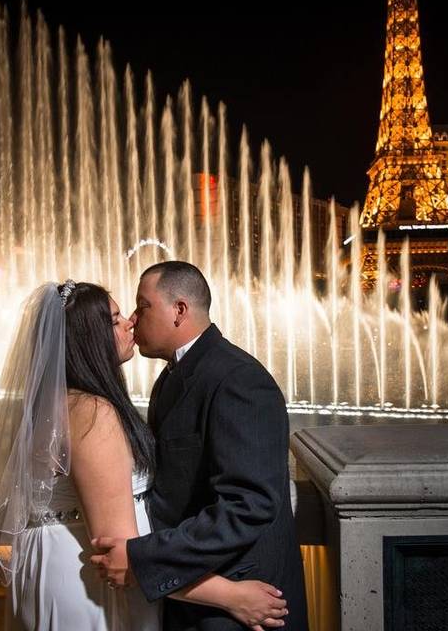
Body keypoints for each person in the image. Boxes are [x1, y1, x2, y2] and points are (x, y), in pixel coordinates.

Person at [0, 280, 288, 630]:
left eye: (136, 310)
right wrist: (230, 595)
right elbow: (121, 557)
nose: (129, 321)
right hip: (89, 586)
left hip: (60, 569)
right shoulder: (92, 413)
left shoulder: (57, 404)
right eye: (114, 320)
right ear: (90, 338)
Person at [91, 262, 308, 630]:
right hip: (198, 595)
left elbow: (249, 505)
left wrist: (147, 558)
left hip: (242, 603)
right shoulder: (174, 377)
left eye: (142, 306)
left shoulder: (237, 380)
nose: (132, 317)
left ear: (179, 311)